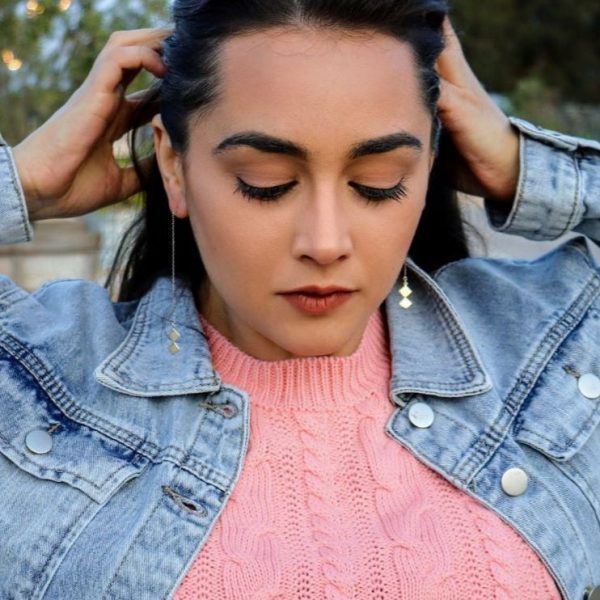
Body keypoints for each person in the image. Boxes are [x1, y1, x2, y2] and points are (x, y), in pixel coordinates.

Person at [1, 1, 599, 598]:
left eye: (380, 181)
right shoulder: (37, 385)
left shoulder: (546, 356)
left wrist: (522, 165)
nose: (325, 242)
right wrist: (26, 180)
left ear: (429, 167)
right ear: (173, 166)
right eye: (267, 183)